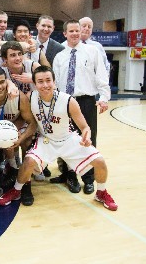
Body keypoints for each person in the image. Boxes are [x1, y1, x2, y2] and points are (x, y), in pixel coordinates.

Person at [0, 66, 118, 212]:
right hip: (46, 140)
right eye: (40, 81)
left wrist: (87, 136)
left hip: (68, 139)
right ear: (35, 84)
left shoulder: (68, 100)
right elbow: (26, 119)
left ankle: (101, 193)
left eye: (48, 80)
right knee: (28, 162)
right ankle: (16, 190)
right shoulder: (30, 97)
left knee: (100, 161)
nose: (45, 85)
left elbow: (85, 127)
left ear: (54, 82)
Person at [51, 20, 110, 194]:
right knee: (66, 139)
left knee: (88, 139)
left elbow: (101, 75)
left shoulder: (92, 51)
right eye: (71, 31)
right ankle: (70, 176)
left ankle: (89, 177)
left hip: (86, 101)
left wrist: (104, 97)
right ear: (65, 33)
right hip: (65, 101)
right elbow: (55, 82)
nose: (75, 33)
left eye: (77, 30)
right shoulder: (59, 55)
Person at [0, 67, 37, 191]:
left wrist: (21, 137)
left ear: (6, 81)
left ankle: (15, 169)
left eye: (2, 82)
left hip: (15, 122)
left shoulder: (19, 97)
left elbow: (32, 123)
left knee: (26, 141)